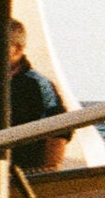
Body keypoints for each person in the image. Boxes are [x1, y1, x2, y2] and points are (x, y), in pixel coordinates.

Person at [8, 21, 65, 171]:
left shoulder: (37, 85)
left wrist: (43, 176)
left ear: (17, 49)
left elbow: (61, 130)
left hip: (22, 173)